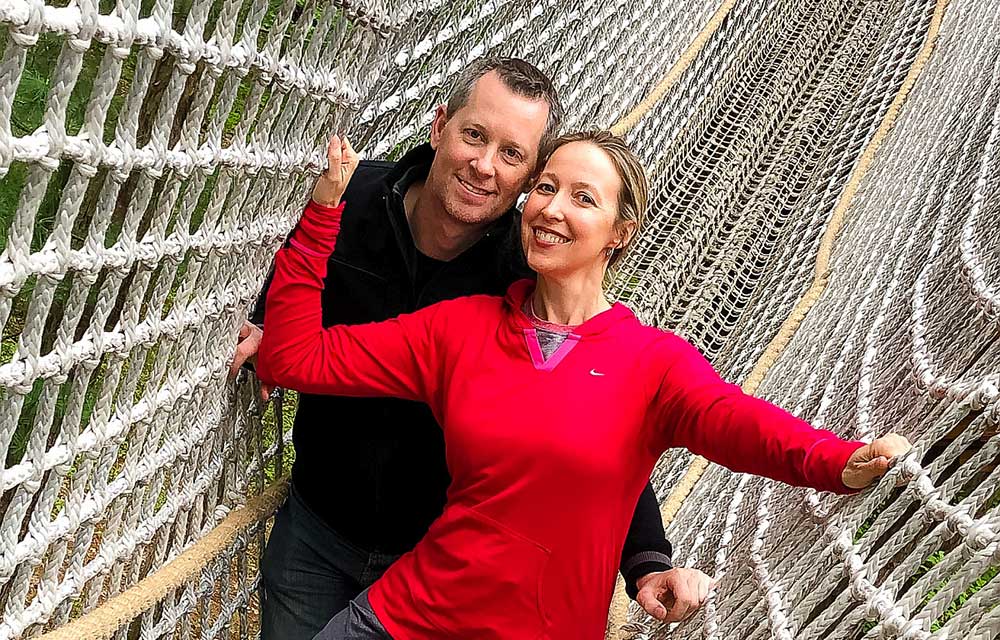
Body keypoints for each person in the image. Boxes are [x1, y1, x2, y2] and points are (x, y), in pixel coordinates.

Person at [256, 130, 912, 640]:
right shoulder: (461, 330)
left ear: (619, 234)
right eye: (543, 187)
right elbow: (296, 360)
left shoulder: (653, 364)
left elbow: (735, 422)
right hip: (401, 618)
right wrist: (321, 218)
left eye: (583, 197)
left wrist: (837, 462)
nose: (551, 208)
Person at [232, 58, 697, 639]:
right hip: (317, 530)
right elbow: (296, 283)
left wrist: (646, 558)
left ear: (529, 177)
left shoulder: (523, 272)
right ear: (439, 127)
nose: (484, 166)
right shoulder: (353, 203)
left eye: (511, 155)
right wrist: (264, 329)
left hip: (433, 561)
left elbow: (595, 425)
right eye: (474, 135)